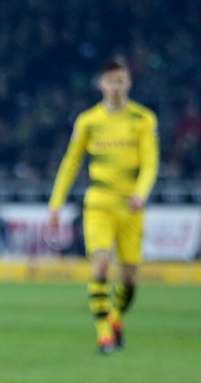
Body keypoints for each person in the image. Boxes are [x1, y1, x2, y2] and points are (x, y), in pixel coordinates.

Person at [47, 58, 159, 353]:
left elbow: (150, 162)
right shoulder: (88, 121)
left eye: (120, 81)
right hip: (99, 202)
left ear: (128, 83)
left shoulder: (143, 119)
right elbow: (71, 163)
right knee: (100, 264)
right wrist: (56, 203)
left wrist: (141, 192)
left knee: (130, 277)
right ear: (101, 84)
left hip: (131, 205)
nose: (115, 87)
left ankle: (116, 317)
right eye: (111, 81)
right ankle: (103, 334)